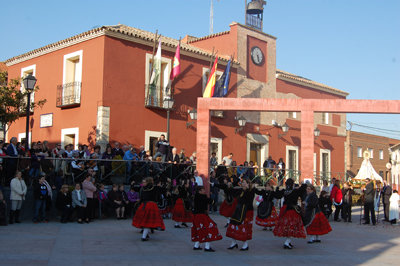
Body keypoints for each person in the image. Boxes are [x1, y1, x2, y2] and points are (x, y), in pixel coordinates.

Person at [273, 178, 307, 249]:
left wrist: (277, 187)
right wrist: (300, 185)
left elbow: (277, 195)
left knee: (287, 226)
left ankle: (288, 241)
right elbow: (304, 187)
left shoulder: (284, 191)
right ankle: (287, 242)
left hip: (285, 209)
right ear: (292, 184)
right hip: (292, 210)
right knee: (292, 226)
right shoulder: (295, 191)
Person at [226, 179, 259, 251]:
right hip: (239, 210)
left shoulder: (250, 191)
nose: (242, 184)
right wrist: (229, 186)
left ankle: (245, 244)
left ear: (248, 184)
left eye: (244, 182)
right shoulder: (240, 190)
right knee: (233, 225)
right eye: (242, 183)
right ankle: (233, 242)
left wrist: (248, 188)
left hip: (247, 211)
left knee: (244, 227)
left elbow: (248, 200)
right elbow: (231, 192)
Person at [132, 177, 165, 241]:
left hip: (148, 205)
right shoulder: (145, 188)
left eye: (144, 182)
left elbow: (164, 190)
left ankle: (145, 235)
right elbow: (134, 188)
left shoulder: (152, 188)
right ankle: (144, 236)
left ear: (148, 182)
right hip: (147, 205)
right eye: (143, 182)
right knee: (147, 221)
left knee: (146, 221)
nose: (143, 183)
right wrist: (132, 184)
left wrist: (132, 184)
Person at [191, 186, 222, 252]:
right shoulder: (203, 196)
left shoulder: (196, 196)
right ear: (199, 191)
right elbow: (210, 201)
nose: (204, 191)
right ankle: (207, 247)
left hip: (196, 216)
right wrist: (213, 200)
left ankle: (196, 245)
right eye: (203, 190)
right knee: (209, 228)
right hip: (202, 216)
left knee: (198, 230)